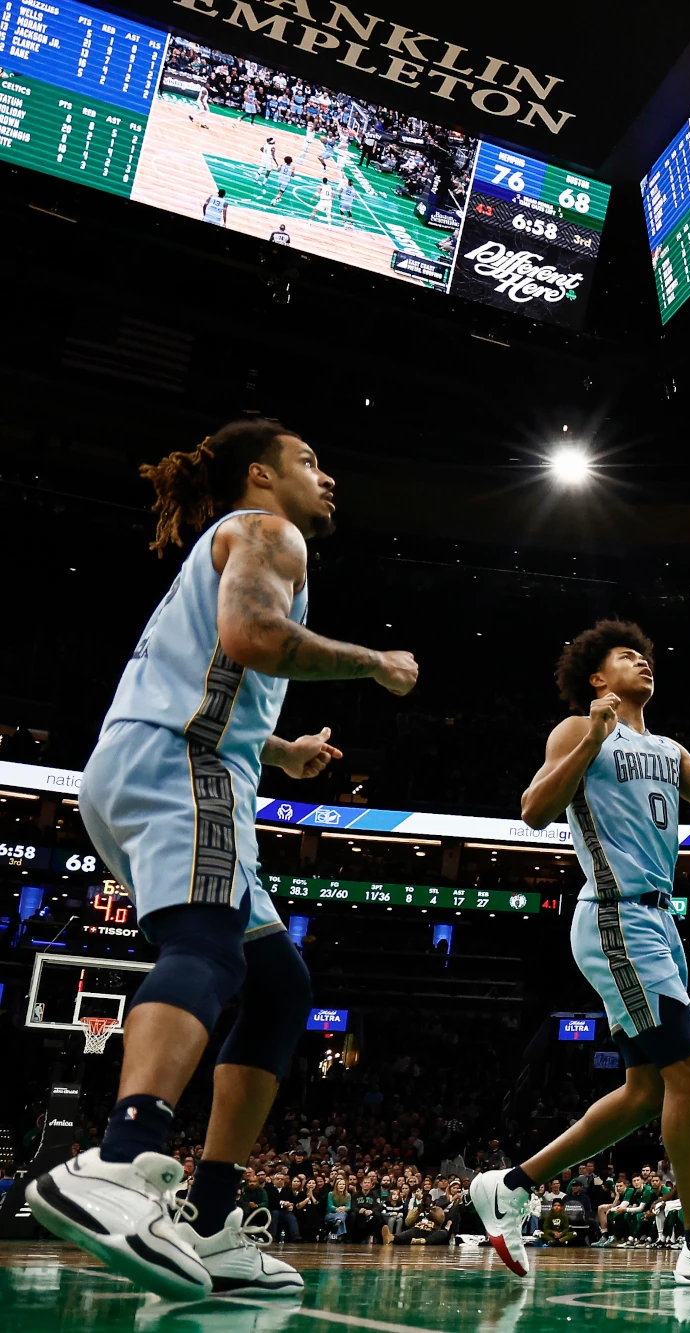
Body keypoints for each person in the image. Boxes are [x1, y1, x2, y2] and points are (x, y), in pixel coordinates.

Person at [25, 420, 415, 1300]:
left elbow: (214, 664)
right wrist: (375, 664)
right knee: (205, 948)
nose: (329, 477)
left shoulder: (233, 542)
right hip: (185, 764)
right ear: (260, 476)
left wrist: (280, 753)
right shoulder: (270, 532)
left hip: (154, 764)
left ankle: (209, 1218)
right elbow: (247, 637)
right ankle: (121, 1160)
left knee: (280, 987)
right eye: (310, 461)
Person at [467, 622, 690, 1287]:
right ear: (596, 678)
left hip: (659, 923)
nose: (642, 659)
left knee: (646, 1092)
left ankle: (511, 1184)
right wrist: (591, 732)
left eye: (645, 654)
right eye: (624, 655)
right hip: (615, 914)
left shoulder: (666, 745)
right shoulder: (578, 729)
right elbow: (533, 810)